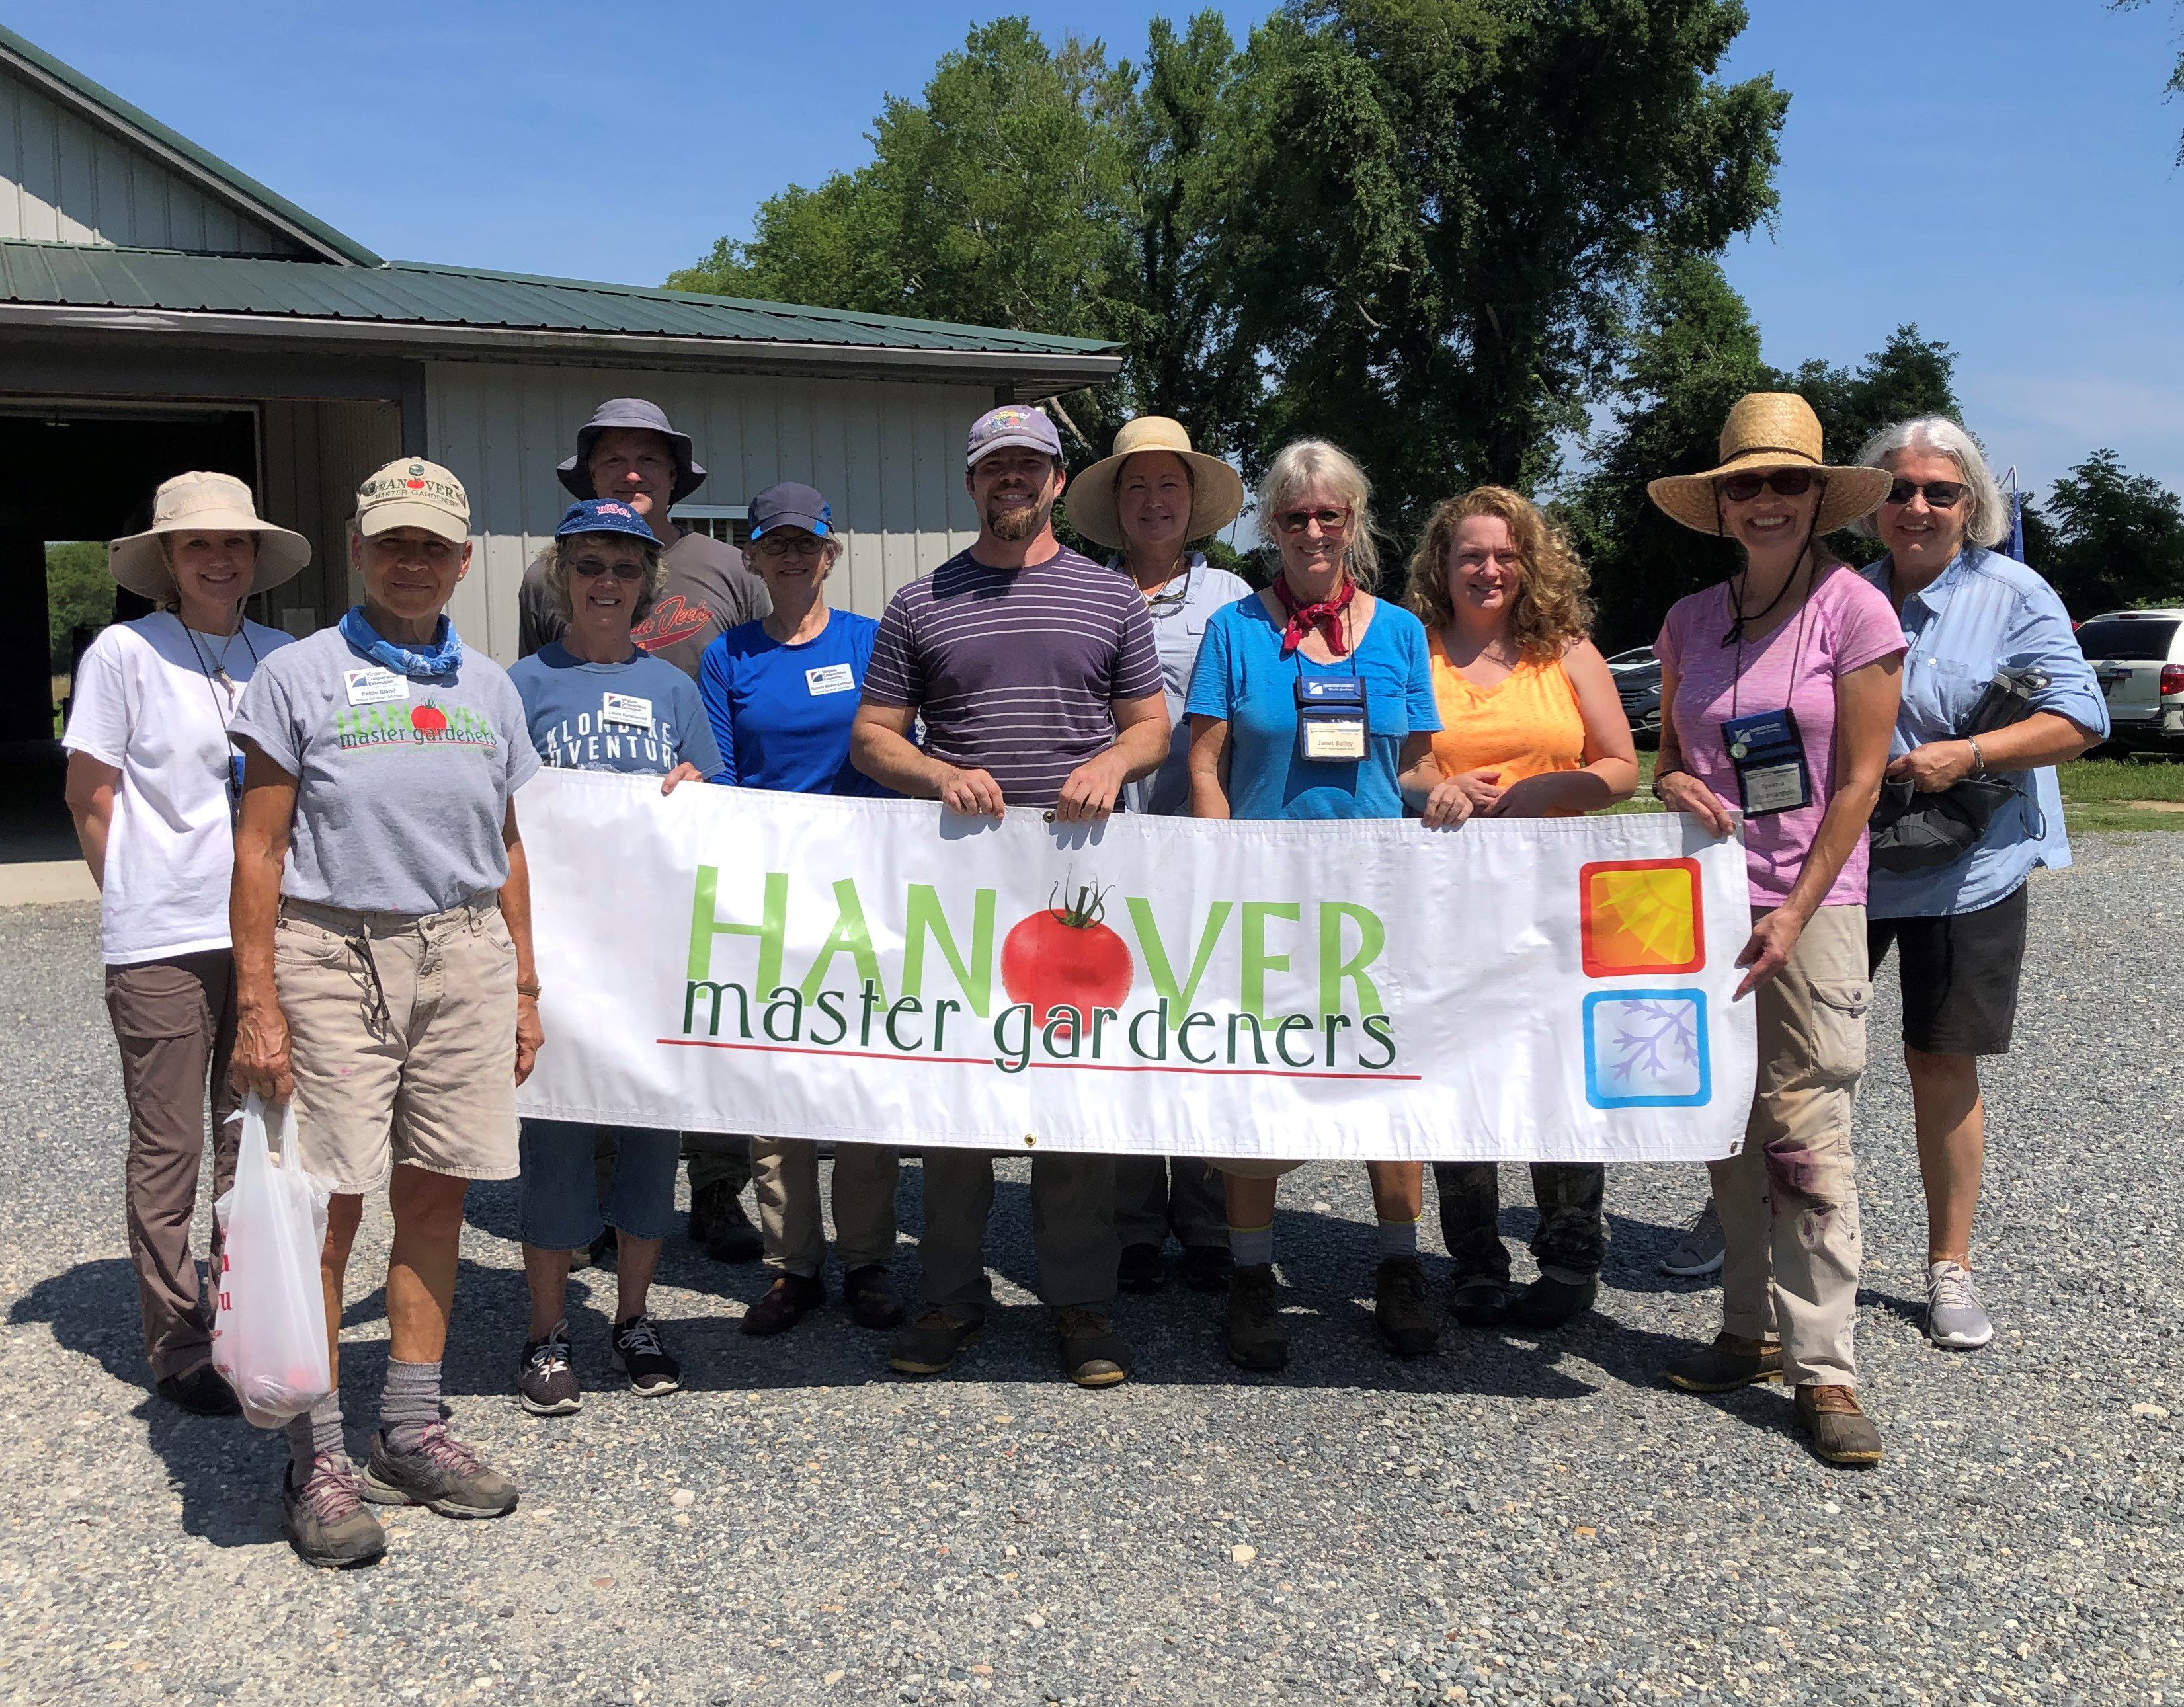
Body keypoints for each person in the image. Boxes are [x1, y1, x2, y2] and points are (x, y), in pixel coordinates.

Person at [230, 459, 536, 1568]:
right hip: (329, 951)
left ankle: (409, 1421)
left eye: (433, 546)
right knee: (329, 1205)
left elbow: (505, 845)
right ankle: (315, 1449)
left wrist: (526, 984)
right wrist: (256, 997)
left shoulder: (491, 689)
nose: (413, 561)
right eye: (392, 542)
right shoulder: (298, 677)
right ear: (360, 550)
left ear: (462, 560)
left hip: (461, 950)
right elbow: (259, 846)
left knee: (436, 1191)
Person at [850, 405, 1171, 1387]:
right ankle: (950, 1297)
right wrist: (936, 770)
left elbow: (1152, 727)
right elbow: (872, 736)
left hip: (1078, 881)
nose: (1012, 483)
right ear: (971, 483)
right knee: (956, 1106)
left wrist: (1113, 760)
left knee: (1071, 1105)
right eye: (995, 469)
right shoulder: (919, 603)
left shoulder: (1108, 598)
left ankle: (1080, 1304)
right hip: (960, 886)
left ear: (1056, 480)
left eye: (1029, 467)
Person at [1644, 393, 1904, 1466]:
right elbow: (1664, 751)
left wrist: (1795, 909)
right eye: (1744, 483)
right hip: (1703, 897)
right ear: (1720, 501)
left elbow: (1856, 779)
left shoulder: (1854, 613)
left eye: (1785, 482)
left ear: (1815, 498)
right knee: (1724, 1122)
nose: (1764, 500)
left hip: (1811, 905)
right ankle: (1743, 1327)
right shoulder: (1688, 621)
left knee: (1803, 1130)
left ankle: (1825, 1363)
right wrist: (1674, 783)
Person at [1182, 439, 1447, 1372]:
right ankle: (1252, 1275)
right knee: (1261, 1080)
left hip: (1375, 894)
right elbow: (1204, 763)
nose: (1311, 530)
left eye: (1328, 513)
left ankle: (1397, 1263)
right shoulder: (1234, 630)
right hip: (1265, 897)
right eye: (1292, 516)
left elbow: (1412, 765)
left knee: (1386, 1078)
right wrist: (1222, 859)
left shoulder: (1400, 633)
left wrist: (1442, 793)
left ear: (1353, 521)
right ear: (1269, 527)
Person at [1852, 418, 2106, 1351]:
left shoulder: (2011, 592)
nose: (1915, 506)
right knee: (1802, 1055)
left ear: (1971, 506)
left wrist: (1968, 752)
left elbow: (2078, 717)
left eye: (1938, 491)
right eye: (1897, 489)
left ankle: (1947, 1263)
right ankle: (1753, 1216)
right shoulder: (1847, 595)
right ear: (1869, 502)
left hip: (1968, 865)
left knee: (1937, 1058)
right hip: (1853, 855)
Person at [61, 472, 304, 1417]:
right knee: (169, 1148)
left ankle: (248, 1315)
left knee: (253, 1139)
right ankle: (178, 1339)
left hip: (267, 934)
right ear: (165, 557)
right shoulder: (124, 653)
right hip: (165, 936)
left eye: (234, 542)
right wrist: (133, 893)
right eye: (197, 542)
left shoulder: (279, 653)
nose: (218, 556)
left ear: (253, 557)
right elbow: (92, 793)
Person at [517, 398, 770, 1266]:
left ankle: (714, 1186)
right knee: (586, 1015)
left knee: (695, 1013)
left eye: (648, 462)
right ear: (588, 473)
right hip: (578, 867)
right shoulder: (541, 574)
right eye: (615, 460)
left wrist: (729, 797)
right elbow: (537, 704)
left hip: (688, 830)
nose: (632, 472)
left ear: (674, 476)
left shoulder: (725, 566)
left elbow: (750, 685)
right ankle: (588, 1191)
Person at [505, 498, 729, 1415]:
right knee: (553, 1139)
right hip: (556, 953)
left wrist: (693, 786)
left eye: (625, 569)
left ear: (648, 584)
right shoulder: (519, 684)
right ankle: (546, 1331)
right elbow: (496, 817)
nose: (607, 583)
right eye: (589, 565)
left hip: (648, 953)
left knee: (648, 1138)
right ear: (563, 577)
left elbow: (712, 795)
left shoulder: (673, 688)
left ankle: (631, 1317)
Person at [1406, 486, 1638, 1331]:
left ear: (1530, 563)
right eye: (1471, 554)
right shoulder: (1414, 650)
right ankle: (1473, 1257)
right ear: (1442, 564)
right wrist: (1438, 786)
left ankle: (1573, 1252)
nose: (1489, 568)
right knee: (1462, 1068)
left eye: (1505, 554)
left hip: (1556, 898)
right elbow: (1393, 771)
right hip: (1451, 897)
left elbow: (1621, 766)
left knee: (1559, 1070)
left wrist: (1557, 785)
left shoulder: (1568, 652)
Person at [697, 482, 905, 1338]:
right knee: (774, 1078)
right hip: (770, 891)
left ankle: (865, 1259)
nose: (791, 556)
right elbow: (719, 772)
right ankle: (793, 1267)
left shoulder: (871, 642)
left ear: (830, 552)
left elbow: (900, 749)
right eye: (773, 543)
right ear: (752, 555)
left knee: (859, 1078)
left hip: (864, 890)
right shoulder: (728, 655)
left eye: (805, 542)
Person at [1067, 415, 1250, 1297]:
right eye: (1134, 486)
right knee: (1125, 1033)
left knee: (1206, 1029)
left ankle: (1209, 1219)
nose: (1152, 501)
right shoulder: (1084, 593)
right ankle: (1134, 1223)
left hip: (1210, 847)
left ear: (1192, 501)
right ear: (1113, 502)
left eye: (1167, 485)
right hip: (1109, 849)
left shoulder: (1234, 599)